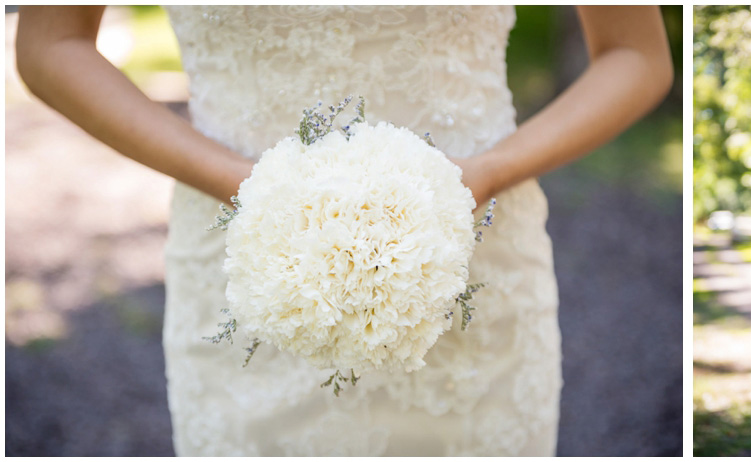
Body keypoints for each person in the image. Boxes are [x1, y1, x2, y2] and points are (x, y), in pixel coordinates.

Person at [16, 6, 672, 456]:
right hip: (247, 259)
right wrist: (246, 184)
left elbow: (637, 55)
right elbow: (51, 44)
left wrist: (490, 172)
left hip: (474, 261)